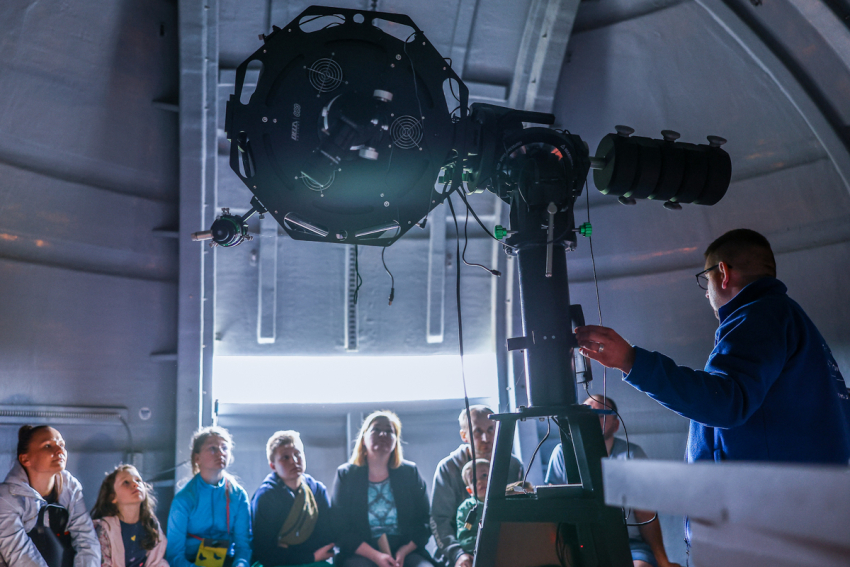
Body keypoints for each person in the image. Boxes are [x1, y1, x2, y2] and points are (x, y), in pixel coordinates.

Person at [576, 228, 850, 465]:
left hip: (767, 503)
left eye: (706, 280)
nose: (707, 293)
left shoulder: (759, 316)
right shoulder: (789, 320)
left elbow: (726, 402)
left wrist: (631, 360)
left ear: (723, 273)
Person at [545, 397, 679, 567]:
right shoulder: (562, 454)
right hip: (579, 544)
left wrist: (663, 561)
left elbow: (645, 514)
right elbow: (554, 509)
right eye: (587, 414)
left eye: (601, 415)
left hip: (628, 544)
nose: (593, 419)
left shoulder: (631, 455)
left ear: (615, 425)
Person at [331, 411, 433, 567]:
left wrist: (404, 551)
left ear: (396, 441)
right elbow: (340, 528)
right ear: (363, 439)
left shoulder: (409, 472)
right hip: (361, 553)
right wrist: (377, 556)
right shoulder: (346, 475)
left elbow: (425, 521)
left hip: (406, 551)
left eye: (389, 431)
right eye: (376, 429)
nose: (383, 434)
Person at [430, 406, 523, 567]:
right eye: (477, 432)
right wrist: (458, 554)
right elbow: (440, 520)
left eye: (490, 429)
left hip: (503, 548)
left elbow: (519, 513)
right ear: (464, 435)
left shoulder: (512, 465)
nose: (486, 438)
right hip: (460, 552)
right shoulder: (448, 468)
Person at [0, 425, 100, 567]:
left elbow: (87, 541)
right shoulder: (6, 498)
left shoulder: (71, 488)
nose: (60, 451)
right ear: (25, 459)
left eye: (62, 445)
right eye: (48, 446)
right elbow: (19, 553)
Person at [166, 427, 251, 567]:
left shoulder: (238, 495)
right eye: (212, 448)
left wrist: (240, 564)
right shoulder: (184, 500)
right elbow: (174, 555)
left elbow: (243, 546)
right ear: (197, 458)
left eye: (224, 448)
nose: (221, 453)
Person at [250, 431, 334, 567]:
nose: (294, 461)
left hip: (310, 561)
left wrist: (286, 547)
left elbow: (326, 539)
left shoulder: (317, 490)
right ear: (273, 466)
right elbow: (265, 551)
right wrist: (310, 556)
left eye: (297, 454)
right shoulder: (266, 496)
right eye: (285, 457)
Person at [91, 464, 168, 567]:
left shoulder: (151, 525)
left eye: (138, 480)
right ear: (113, 497)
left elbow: (157, 562)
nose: (135, 484)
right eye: (126, 482)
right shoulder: (104, 529)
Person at [454, 459, 488, 556]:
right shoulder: (466, 509)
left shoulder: (503, 501)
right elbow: (465, 537)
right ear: (470, 491)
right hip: (479, 552)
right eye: (473, 480)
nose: (480, 482)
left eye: (484, 475)